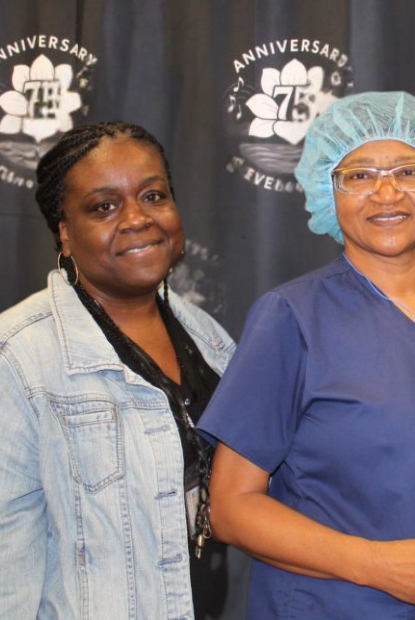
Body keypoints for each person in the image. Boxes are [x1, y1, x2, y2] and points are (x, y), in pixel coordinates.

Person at [198, 91, 415, 619]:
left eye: (408, 172)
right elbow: (231, 508)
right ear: (330, 191)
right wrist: (377, 565)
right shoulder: (293, 318)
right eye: (360, 176)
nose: (387, 193)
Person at [0, 122, 242, 619]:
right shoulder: (18, 356)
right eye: (104, 207)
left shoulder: (208, 339)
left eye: (153, 196)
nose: (137, 219)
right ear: (65, 233)